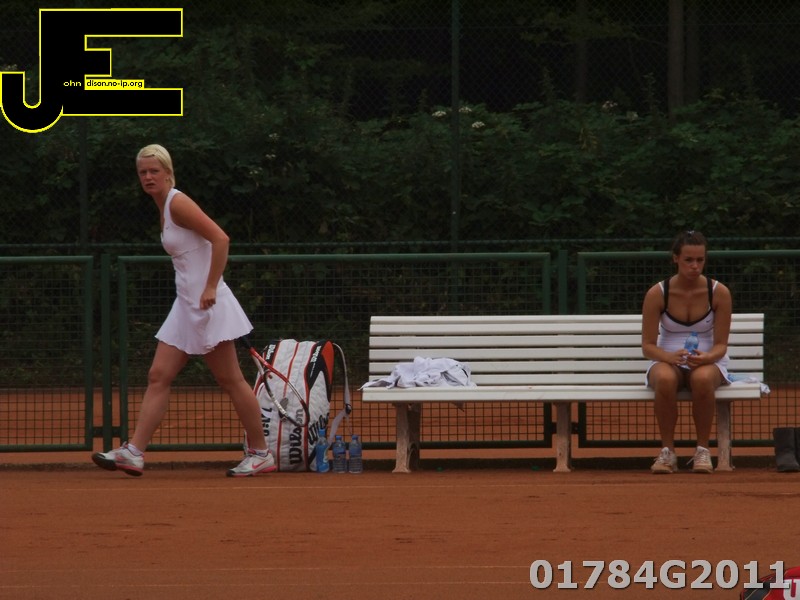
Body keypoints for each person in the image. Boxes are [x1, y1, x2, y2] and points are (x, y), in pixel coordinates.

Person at [92, 144, 275, 477]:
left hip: (207, 305)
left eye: (154, 171)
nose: (148, 177)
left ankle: (261, 453)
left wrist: (210, 286)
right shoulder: (162, 206)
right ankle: (134, 452)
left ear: (167, 172)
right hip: (185, 305)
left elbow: (221, 239)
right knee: (158, 375)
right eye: (143, 172)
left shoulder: (178, 202)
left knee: (231, 380)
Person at [641, 230, 732, 474]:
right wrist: (668, 357)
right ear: (675, 258)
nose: (695, 266)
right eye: (688, 260)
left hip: (708, 361)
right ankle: (667, 452)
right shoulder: (657, 293)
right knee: (664, 378)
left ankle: (703, 451)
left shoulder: (719, 292)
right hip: (666, 359)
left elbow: (721, 344)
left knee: (702, 379)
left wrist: (707, 358)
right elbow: (647, 345)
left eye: (700, 260)